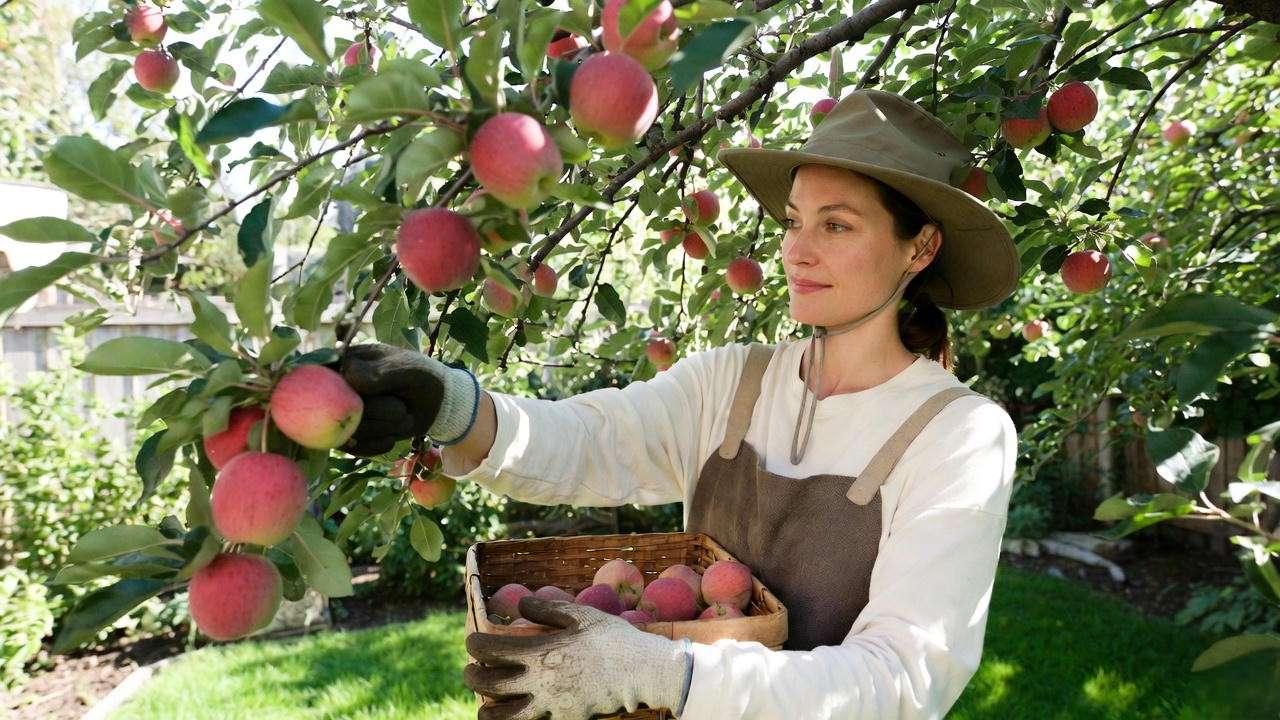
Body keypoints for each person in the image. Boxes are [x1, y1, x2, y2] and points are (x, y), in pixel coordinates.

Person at [335, 89, 1021, 720]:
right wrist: (451, 404)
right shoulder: (734, 384)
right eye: (792, 222)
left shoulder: (957, 434)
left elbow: (904, 680)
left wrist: (669, 675)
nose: (797, 253)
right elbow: (583, 440)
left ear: (920, 248)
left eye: (836, 227)